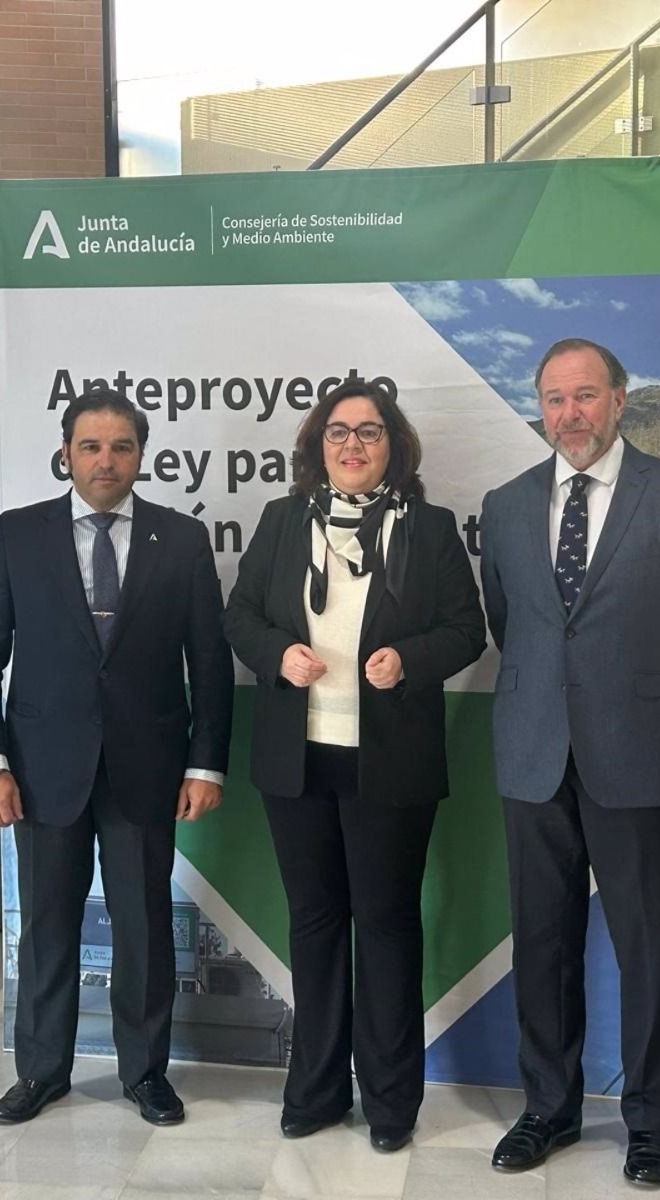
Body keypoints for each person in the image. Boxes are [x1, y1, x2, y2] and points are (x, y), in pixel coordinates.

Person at [479, 339, 660, 1184]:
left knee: (647, 948)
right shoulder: (507, 504)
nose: (570, 415)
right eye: (554, 399)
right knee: (543, 943)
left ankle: (650, 1123)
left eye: (585, 396)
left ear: (621, 400)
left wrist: (652, 710)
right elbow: (510, 624)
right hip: (533, 756)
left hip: (640, 761)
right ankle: (547, 1111)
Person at [0, 387, 233, 1127]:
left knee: (145, 926)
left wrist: (205, 765)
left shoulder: (179, 540)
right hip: (41, 773)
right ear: (66, 453)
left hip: (147, 771)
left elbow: (208, 660)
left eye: (120, 447)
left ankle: (146, 1074)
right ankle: (42, 1072)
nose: (105, 460)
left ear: (142, 455)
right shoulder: (18, 535)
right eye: (90, 446)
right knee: (48, 926)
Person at [224, 381, 486, 1153]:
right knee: (313, 924)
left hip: (390, 763)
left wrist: (407, 658)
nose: (352, 446)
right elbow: (239, 616)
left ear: (393, 447)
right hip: (297, 758)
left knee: (387, 925)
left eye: (369, 433)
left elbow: (467, 630)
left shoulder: (429, 528)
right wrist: (278, 654)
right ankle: (315, 1088)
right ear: (318, 446)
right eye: (338, 433)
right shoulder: (280, 521)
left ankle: (393, 1101)